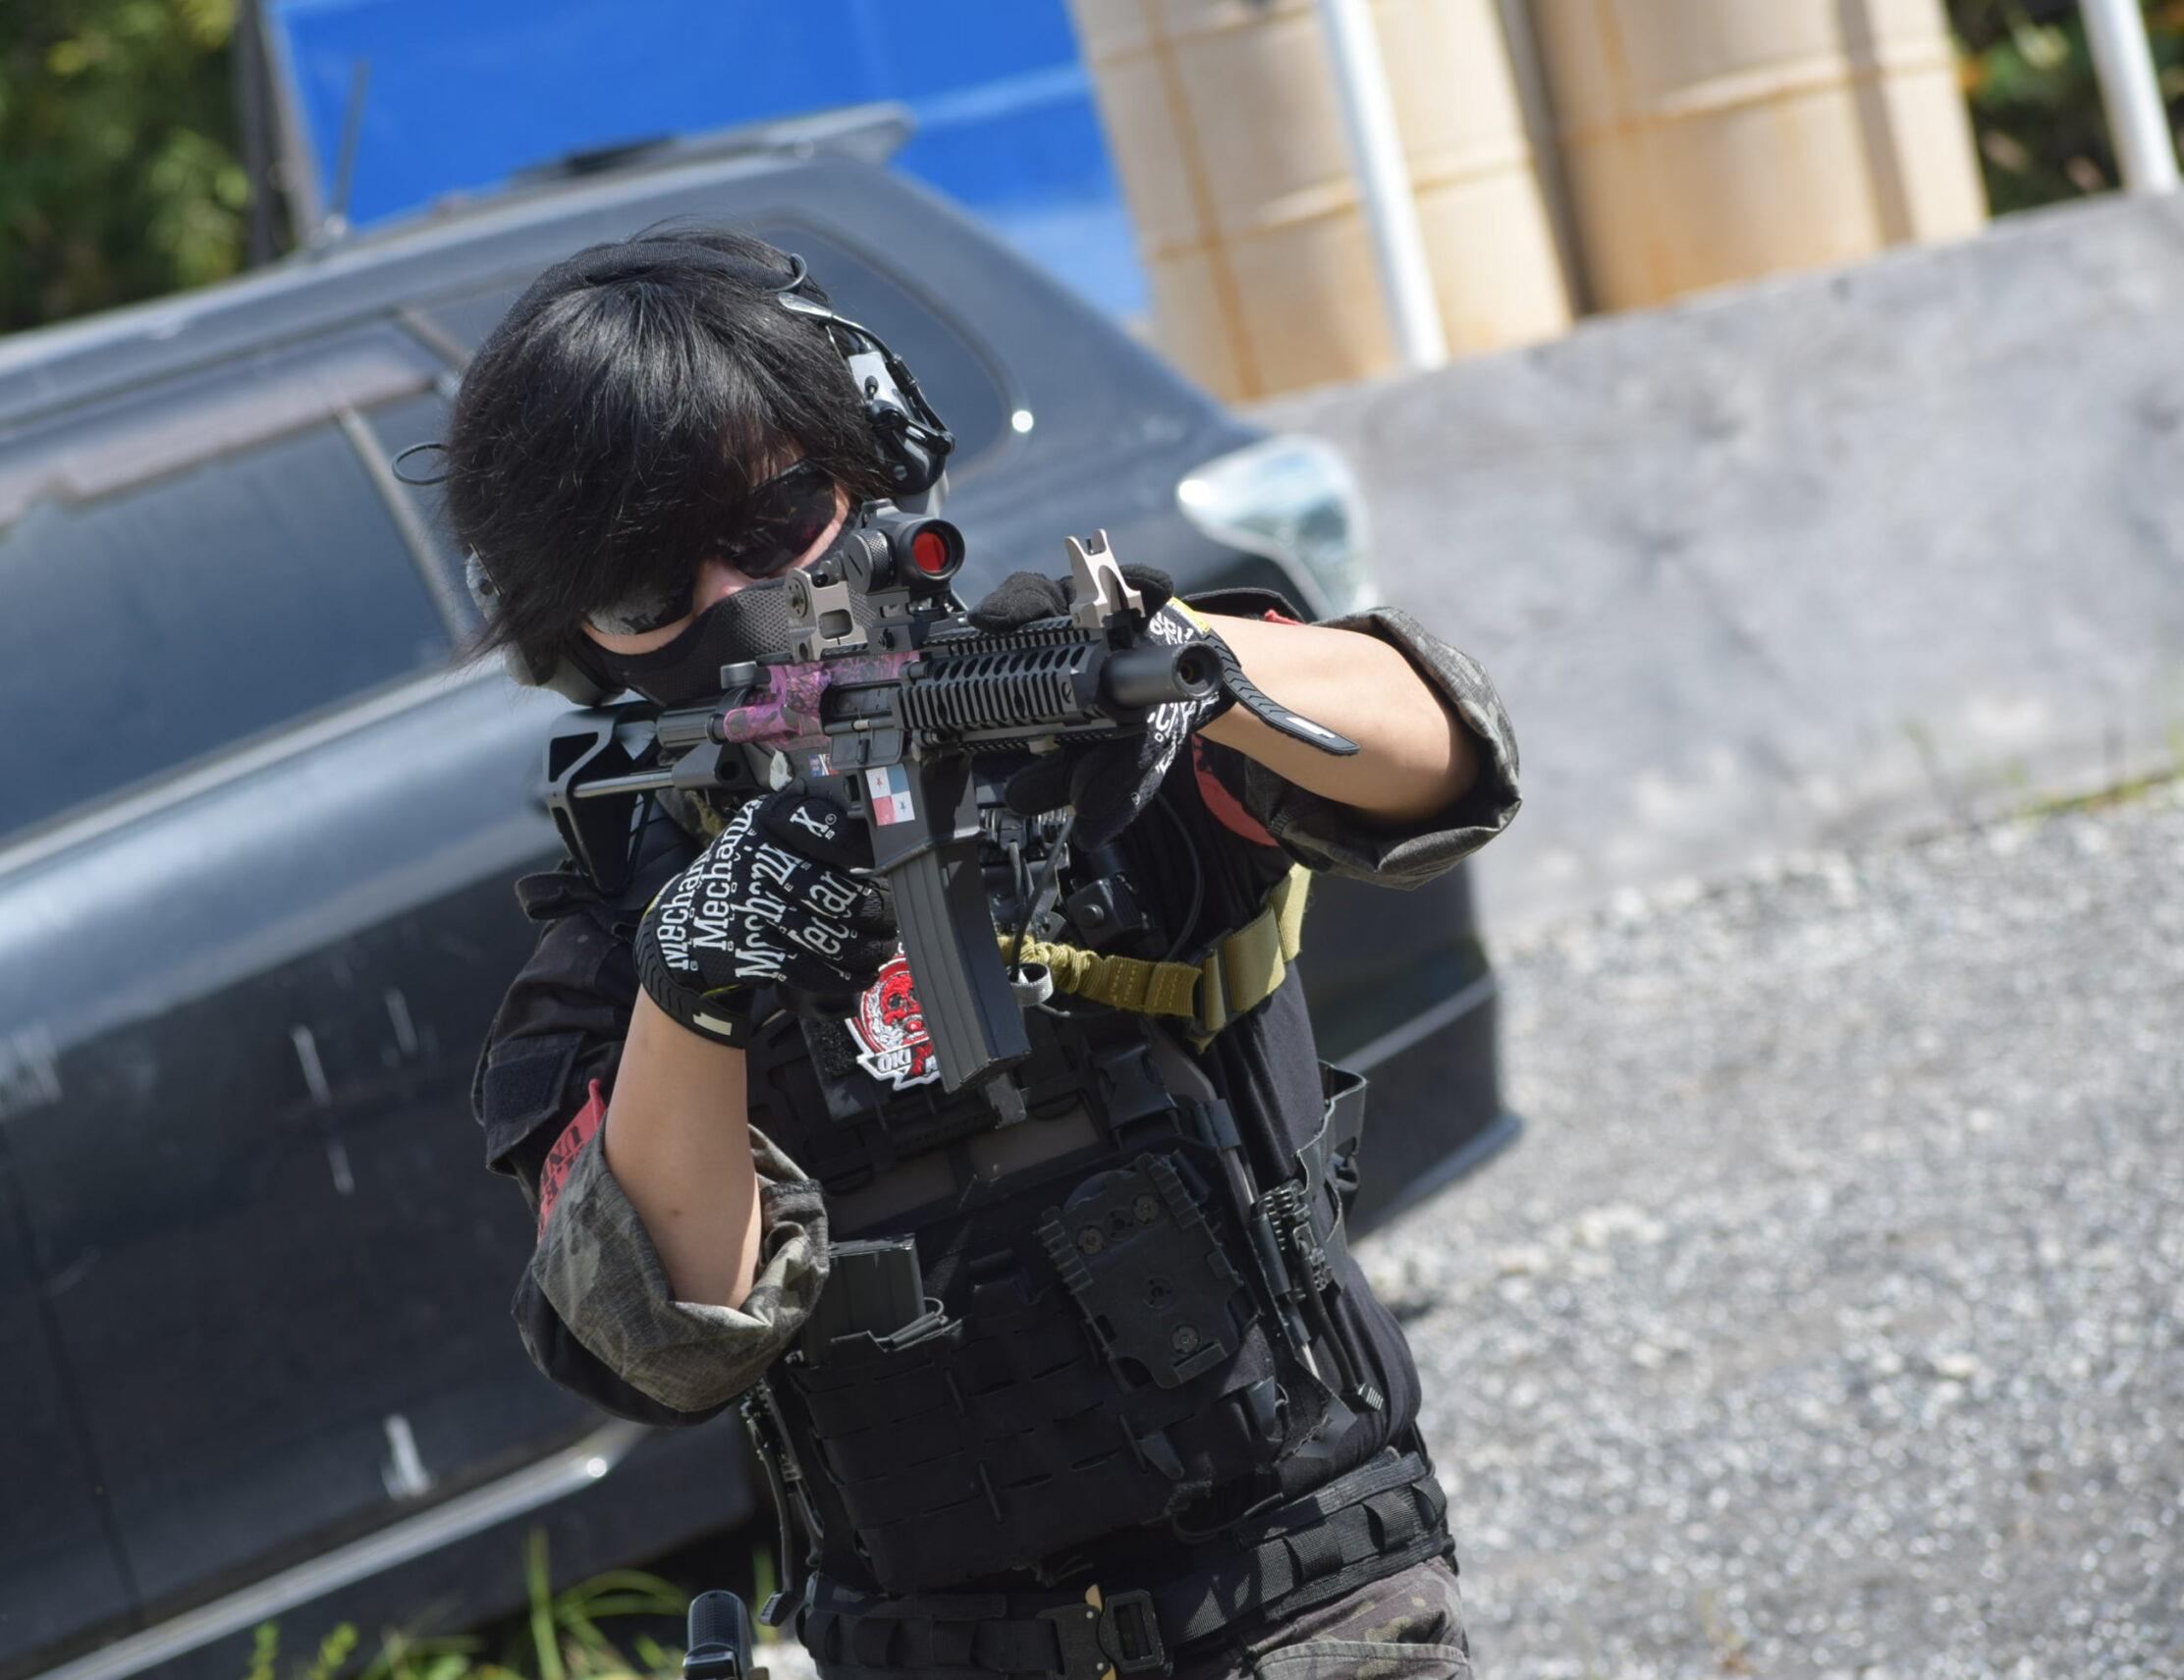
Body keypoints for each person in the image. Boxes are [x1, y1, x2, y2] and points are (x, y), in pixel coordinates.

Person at [445, 227, 1521, 1680]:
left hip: (1302, 1598)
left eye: (776, 521)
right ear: (573, 639)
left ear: (875, 461)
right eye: (645, 593)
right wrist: (695, 984)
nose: (737, 601)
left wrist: (1174, 664)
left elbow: (1443, 757)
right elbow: (663, 1333)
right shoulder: (618, 942)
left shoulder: (1091, 704)